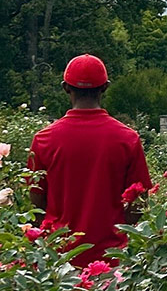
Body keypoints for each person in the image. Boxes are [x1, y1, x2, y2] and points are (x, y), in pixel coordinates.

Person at [28, 55, 152, 269]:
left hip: (59, 265)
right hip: (112, 263)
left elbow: (36, 204)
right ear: (105, 88)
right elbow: (138, 206)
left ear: (66, 88)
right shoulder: (127, 139)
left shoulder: (44, 140)